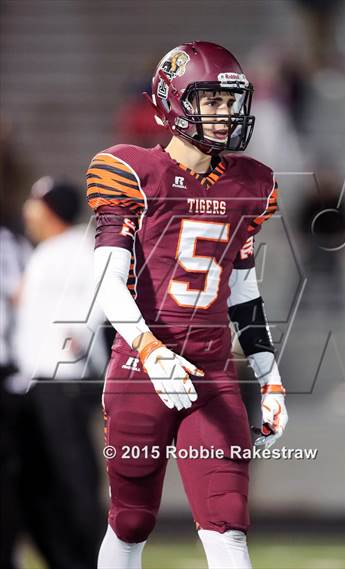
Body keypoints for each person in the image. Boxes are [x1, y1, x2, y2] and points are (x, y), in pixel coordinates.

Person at [88, 41, 289, 569]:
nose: (226, 114)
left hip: (214, 373)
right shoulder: (132, 172)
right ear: (175, 101)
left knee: (227, 526)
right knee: (131, 522)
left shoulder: (251, 185)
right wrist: (153, 351)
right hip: (140, 369)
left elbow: (243, 291)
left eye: (231, 102)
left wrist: (268, 374)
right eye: (212, 101)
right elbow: (106, 284)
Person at [12, 177, 107, 569]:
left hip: (65, 377)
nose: (28, 210)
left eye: (36, 203)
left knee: (75, 475)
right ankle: (68, 556)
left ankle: (97, 558)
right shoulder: (46, 251)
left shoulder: (80, 250)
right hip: (38, 379)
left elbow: (102, 296)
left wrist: (79, 336)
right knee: (47, 476)